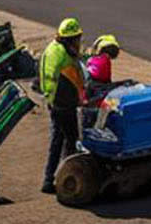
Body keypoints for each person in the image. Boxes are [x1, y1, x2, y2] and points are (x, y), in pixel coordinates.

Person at [38, 18, 88, 194]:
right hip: (63, 105)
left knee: (56, 141)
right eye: (76, 39)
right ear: (69, 39)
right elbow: (77, 84)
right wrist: (83, 98)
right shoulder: (65, 58)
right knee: (72, 141)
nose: (78, 43)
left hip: (53, 102)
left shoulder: (52, 49)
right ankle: (68, 179)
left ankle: (48, 180)